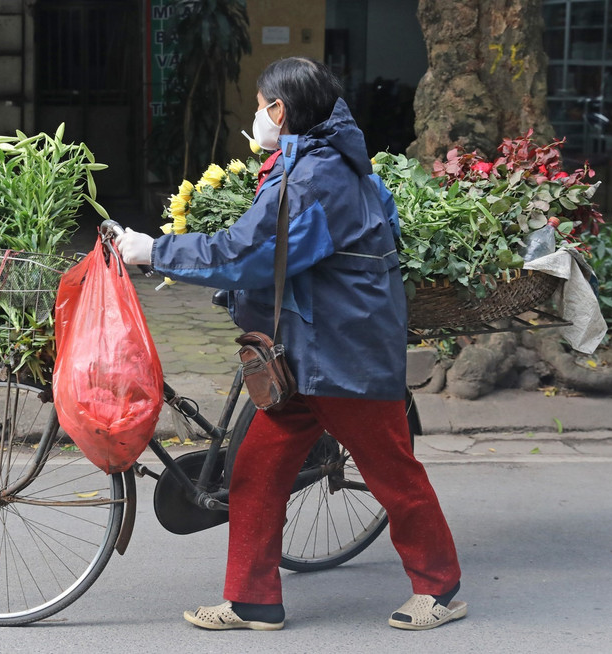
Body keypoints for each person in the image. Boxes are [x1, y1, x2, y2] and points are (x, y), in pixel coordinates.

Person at [115, 57, 465, 632]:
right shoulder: (319, 161)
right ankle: (252, 600)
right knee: (255, 471)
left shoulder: (315, 176)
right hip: (303, 355)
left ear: (279, 110)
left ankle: (440, 588)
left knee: (392, 475)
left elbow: (249, 252)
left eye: (260, 106)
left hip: (345, 356)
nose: (255, 116)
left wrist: (155, 251)